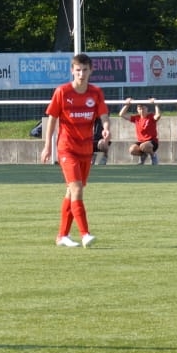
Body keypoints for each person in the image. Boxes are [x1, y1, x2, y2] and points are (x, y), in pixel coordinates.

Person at [39, 53, 108, 247]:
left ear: (91, 70)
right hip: (67, 148)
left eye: (85, 70)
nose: (81, 74)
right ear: (72, 71)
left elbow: (104, 115)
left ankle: (62, 236)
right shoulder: (62, 92)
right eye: (78, 70)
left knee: (72, 191)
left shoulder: (96, 92)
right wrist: (47, 146)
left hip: (85, 149)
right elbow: (52, 119)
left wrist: (106, 128)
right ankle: (85, 234)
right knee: (76, 188)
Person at [117, 97, 161, 164]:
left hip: (152, 142)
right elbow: (121, 114)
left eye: (143, 108)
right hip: (141, 142)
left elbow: (158, 115)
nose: (141, 110)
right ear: (137, 110)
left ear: (147, 109)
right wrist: (127, 104)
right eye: (139, 109)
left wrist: (156, 104)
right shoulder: (136, 118)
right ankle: (143, 155)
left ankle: (153, 155)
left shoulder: (151, 116)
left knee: (144, 146)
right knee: (132, 150)